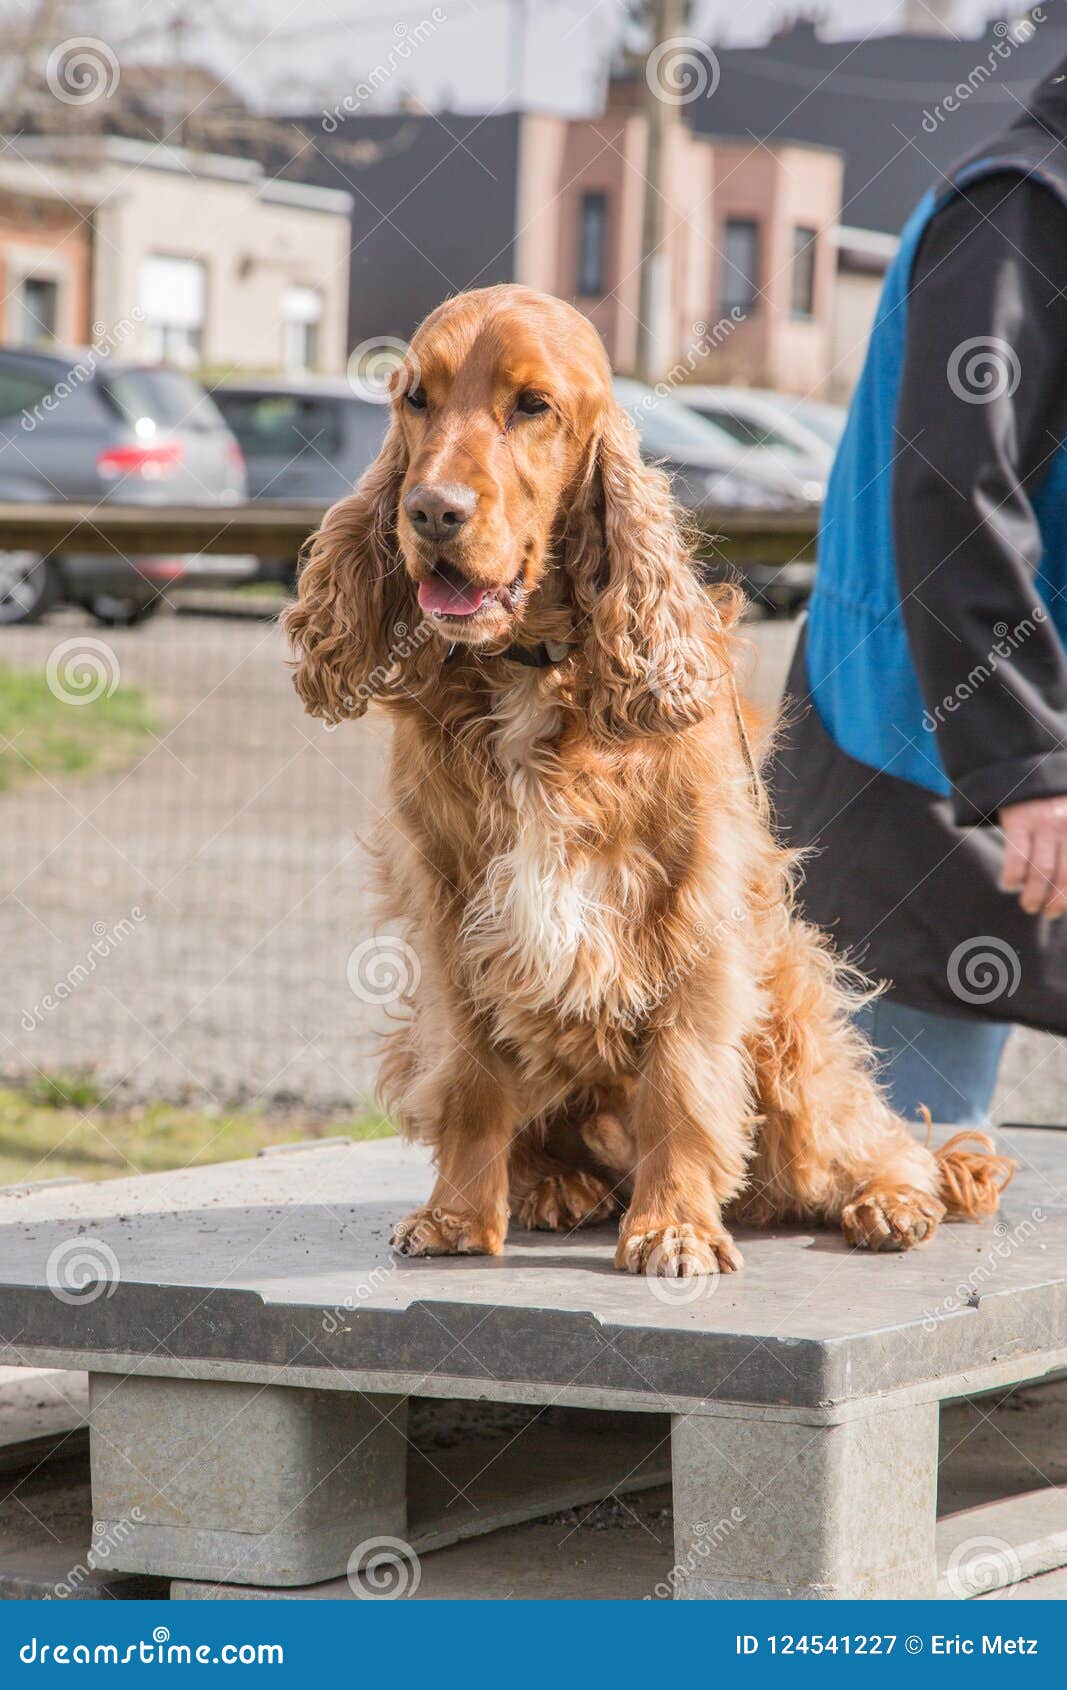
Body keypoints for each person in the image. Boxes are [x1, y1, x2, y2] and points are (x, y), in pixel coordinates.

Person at [770, 60, 1067, 1127]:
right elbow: (952, 495)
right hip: (914, 764)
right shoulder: (1022, 210)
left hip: (980, 760)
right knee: (880, 1173)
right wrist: (1026, 762)